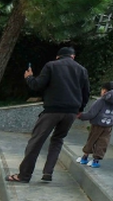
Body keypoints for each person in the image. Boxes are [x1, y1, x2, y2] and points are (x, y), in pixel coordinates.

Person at [7, 47, 90, 184]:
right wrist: (79, 109)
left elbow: (37, 85)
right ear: (73, 57)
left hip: (52, 111)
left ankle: (24, 175)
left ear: (58, 57)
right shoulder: (82, 70)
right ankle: (47, 173)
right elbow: (86, 92)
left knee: (36, 142)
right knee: (57, 141)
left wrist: (29, 78)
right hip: (71, 112)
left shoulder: (51, 65)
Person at [77, 81, 113, 168]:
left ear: (105, 91)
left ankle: (84, 158)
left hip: (97, 124)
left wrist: (81, 116)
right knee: (103, 142)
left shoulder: (101, 101)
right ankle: (95, 161)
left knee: (92, 140)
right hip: (109, 126)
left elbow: (92, 113)